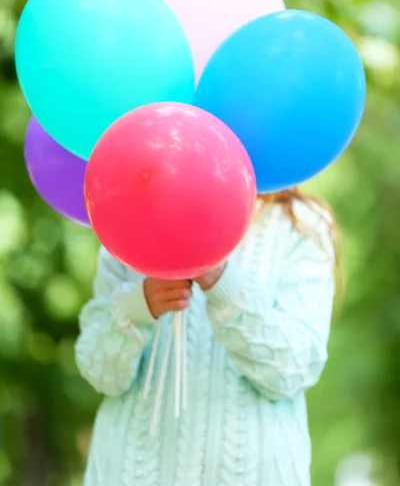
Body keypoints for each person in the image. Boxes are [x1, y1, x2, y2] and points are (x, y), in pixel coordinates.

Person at [76, 188, 339, 486]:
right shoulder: (132, 211)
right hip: (129, 472)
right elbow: (101, 375)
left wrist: (222, 283)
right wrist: (138, 305)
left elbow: (295, 368)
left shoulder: (300, 223)